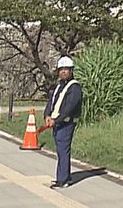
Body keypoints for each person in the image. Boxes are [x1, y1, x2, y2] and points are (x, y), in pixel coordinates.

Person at [46, 55, 83, 189]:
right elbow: (51, 102)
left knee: (63, 149)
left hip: (66, 123)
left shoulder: (75, 87)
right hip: (57, 123)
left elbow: (69, 107)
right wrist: (47, 115)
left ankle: (63, 179)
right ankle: (63, 176)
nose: (63, 72)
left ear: (71, 70)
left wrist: (57, 120)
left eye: (66, 69)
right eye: (61, 69)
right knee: (60, 150)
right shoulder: (58, 86)